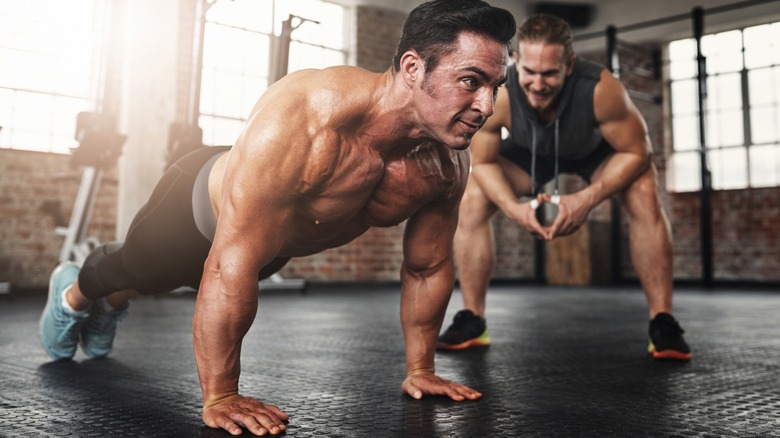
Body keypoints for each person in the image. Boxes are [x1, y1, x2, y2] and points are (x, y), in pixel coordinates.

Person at [38, 0, 516, 435]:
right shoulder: (308, 117)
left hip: (271, 246)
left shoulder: (445, 163)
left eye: (494, 87)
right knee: (137, 268)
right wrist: (221, 395)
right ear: (413, 67)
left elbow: (427, 267)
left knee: (161, 282)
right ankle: (74, 293)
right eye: (470, 81)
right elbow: (227, 265)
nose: (486, 107)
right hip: (194, 208)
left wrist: (421, 370)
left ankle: (109, 301)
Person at [437, 14, 692, 361]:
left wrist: (587, 199)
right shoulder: (499, 94)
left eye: (550, 74)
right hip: (530, 154)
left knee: (645, 190)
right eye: (530, 72)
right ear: (516, 62)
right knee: (472, 197)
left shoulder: (601, 89)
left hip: (594, 152)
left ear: (569, 65)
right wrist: (515, 210)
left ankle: (662, 321)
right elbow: (481, 163)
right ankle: (472, 319)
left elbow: (638, 151)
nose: (538, 84)